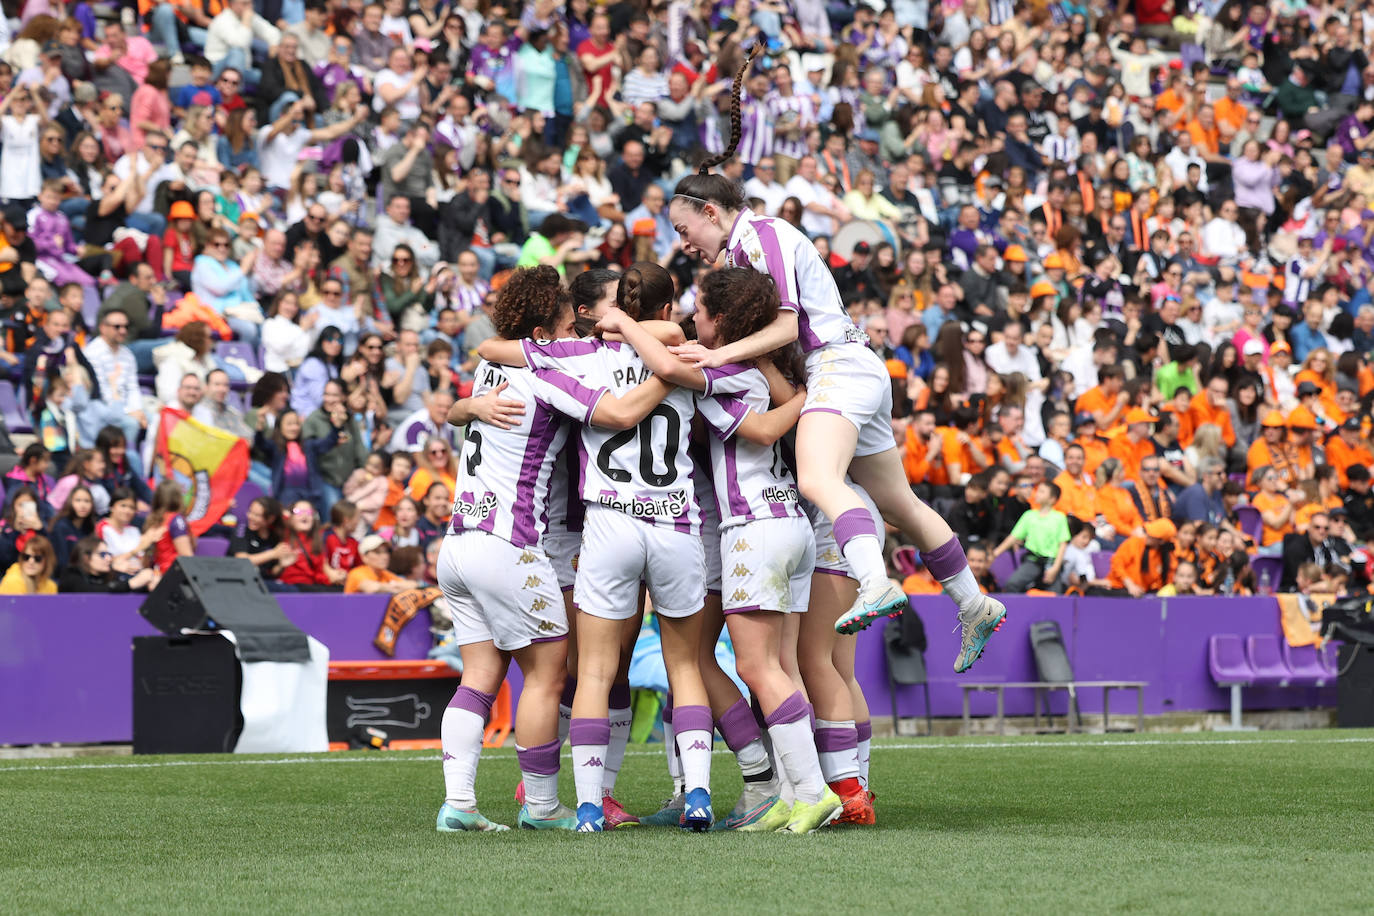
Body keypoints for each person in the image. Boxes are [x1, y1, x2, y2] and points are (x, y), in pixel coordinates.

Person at [666, 50, 1004, 670]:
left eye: (687, 231)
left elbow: (788, 325)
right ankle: (973, 600)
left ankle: (876, 583)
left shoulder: (759, 237)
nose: (686, 245)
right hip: (858, 368)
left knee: (820, 480)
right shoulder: (747, 248)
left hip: (838, 368)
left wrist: (711, 356)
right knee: (900, 503)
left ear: (711, 212)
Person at [599, 265, 845, 830]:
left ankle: (808, 792)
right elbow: (775, 414)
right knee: (777, 665)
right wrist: (798, 391)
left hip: (751, 526)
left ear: (723, 322)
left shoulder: (718, 366)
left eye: (702, 312)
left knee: (758, 667)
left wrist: (617, 322)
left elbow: (669, 368)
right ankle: (786, 791)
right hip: (790, 524)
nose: (693, 319)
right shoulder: (760, 369)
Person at [990, 481, 1071, 593]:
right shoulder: (1029, 515)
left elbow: (1062, 544)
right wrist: (994, 554)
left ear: (1052, 499)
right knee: (1012, 585)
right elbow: (1013, 537)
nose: (1037, 493)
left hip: (1051, 563)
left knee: (1055, 594)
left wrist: (1056, 568)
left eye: (1042, 492)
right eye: (1037, 491)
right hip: (1032, 561)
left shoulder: (1060, 518)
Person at [59, 536, 158, 593]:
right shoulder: (71, 574)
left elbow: (123, 590)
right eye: (102, 554)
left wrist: (147, 585)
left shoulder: (109, 575)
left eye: (109, 554)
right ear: (86, 557)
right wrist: (131, 583)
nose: (108, 558)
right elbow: (90, 592)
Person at [345, 535, 421, 594]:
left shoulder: (384, 574)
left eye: (386, 551)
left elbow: (413, 585)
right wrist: (394, 586)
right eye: (377, 552)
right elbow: (372, 588)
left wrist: (387, 586)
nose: (384, 556)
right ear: (364, 557)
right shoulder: (357, 573)